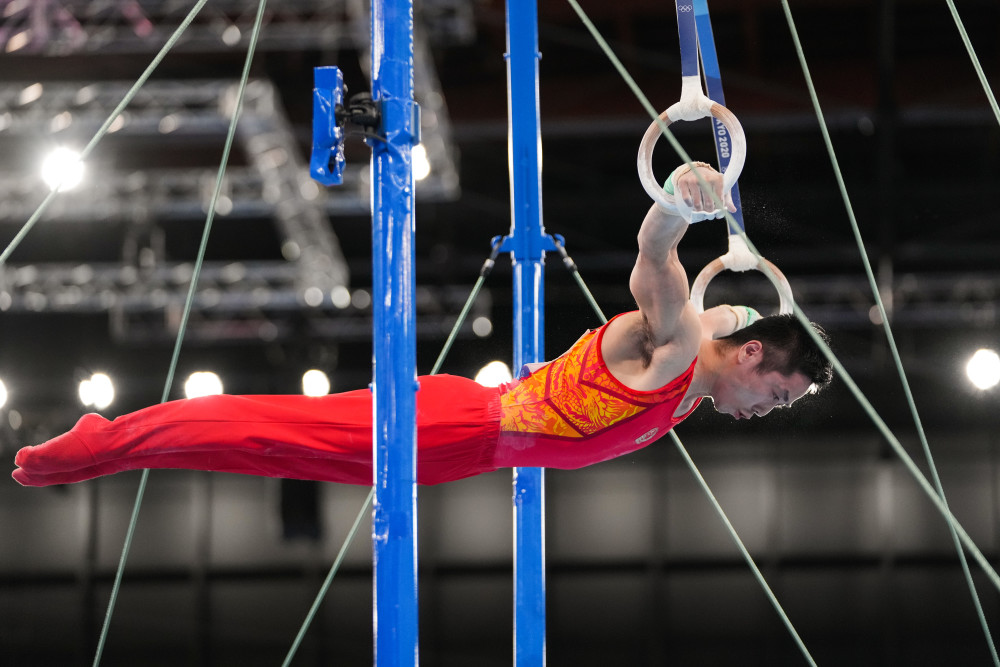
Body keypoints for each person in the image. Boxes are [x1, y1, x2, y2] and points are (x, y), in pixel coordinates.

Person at [11, 162, 832, 488]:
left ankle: (114, 447)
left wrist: (751, 298)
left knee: (266, 448)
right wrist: (676, 204)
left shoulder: (702, 365)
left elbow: (729, 307)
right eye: (778, 393)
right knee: (265, 431)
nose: (769, 409)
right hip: (458, 424)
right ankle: (101, 443)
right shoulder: (680, 346)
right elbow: (656, 262)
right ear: (752, 356)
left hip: (464, 446)